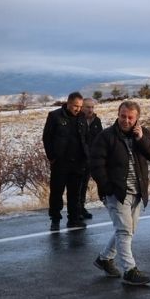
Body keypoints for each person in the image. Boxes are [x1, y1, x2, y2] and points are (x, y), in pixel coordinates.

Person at [89, 101, 150, 286]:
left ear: (136, 118)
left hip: (137, 192)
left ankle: (104, 259)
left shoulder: (142, 133)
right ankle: (130, 271)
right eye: (123, 116)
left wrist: (141, 139)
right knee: (124, 231)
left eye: (130, 117)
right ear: (118, 114)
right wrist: (108, 189)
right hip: (117, 193)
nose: (126, 120)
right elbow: (96, 165)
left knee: (128, 231)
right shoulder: (106, 136)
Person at [43, 92, 88, 231]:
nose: (78, 109)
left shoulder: (82, 117)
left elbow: (85, 137)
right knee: (57, 192)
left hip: (78, 162)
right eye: (75, 106)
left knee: (75, 193)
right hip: (60, 162)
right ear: (68, 103)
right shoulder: (55, 116)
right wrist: (52, 157)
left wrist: (86, 156)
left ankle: (73, 219)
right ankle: (55, 219)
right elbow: (47, 138)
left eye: (80, 106)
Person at [77, 97, 103, 220]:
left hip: (90, 160)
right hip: (77, 159)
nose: (90, 109)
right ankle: (75, 210)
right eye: (88, 107)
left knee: (84, 185)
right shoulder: (76, 120)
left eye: (92, 107)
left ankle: (81, 207)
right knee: (76, 185)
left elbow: (101, 139)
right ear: (82, 107)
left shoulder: (97, 121)